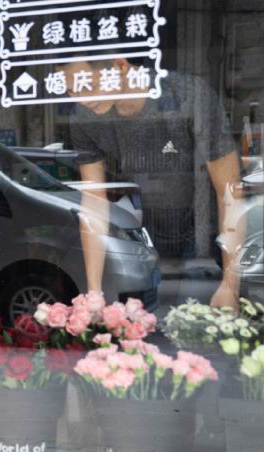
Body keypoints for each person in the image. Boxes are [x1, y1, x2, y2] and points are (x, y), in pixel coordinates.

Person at [62, 56, 244, 308]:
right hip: (144, 234)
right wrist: (94, 292)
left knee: (206, 318)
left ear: (120, 66)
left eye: (87, 86)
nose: (82, 99)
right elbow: (94, 201)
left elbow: (230, 191)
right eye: (71, 91)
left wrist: (230, 285)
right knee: (143, 319)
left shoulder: (186, 95)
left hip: (206, 235)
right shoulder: (85, 115)